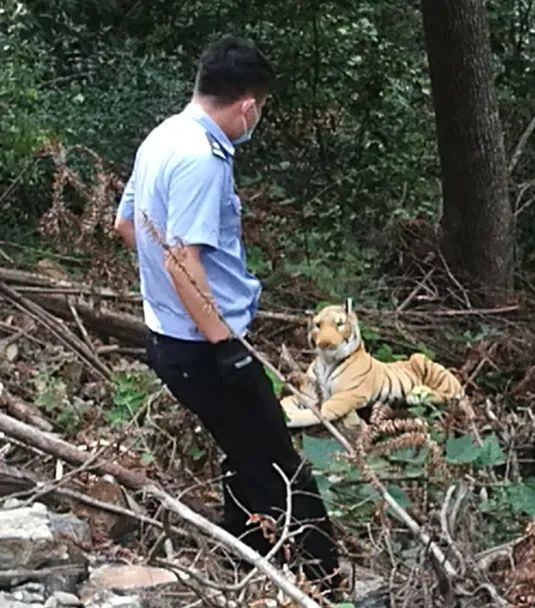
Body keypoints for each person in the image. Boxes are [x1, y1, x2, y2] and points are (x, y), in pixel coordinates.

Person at [113, 37, 343, 593]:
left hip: (173, 337)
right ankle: (328, 585)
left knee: (243, 451)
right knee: (280, 465)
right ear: (247, 105)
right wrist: (225, 345)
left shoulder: (161, 137)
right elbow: (180, 259)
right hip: (203, 346)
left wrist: (174, 308)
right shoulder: (200, 158)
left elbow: (126, 225)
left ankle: (247, 568)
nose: (255, 120)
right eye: (258, 110)